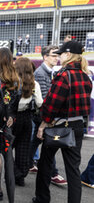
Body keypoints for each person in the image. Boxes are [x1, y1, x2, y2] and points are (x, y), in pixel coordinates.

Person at [33, 40, 92, 203]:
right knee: (73, 172)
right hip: (76, 127)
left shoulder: (63, 75)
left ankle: (42, 198)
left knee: (45, 161)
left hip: (57, 126)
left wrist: (44, 123)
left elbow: (51, 105)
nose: (58, 57)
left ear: (68, 55)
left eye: (61, 54)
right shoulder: (86, 76)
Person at [31, 45, 68, 186]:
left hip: (44, 115)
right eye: (53, 55)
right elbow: (45, 99)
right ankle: (53, 173)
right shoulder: (41, 73)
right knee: (48, 144)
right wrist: (48, 120)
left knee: (36, 143)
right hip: (42, 115)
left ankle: (25, 164)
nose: (57, 58)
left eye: (57, 55)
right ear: (45, 57)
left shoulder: (49, 71)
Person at [0, 48, 20, 199]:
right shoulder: (15, 78)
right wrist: (12, 116)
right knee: (0, 154)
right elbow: (15, 101)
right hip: (8, 121)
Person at [13, 57, 42, 186]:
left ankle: (8, 173)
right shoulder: (34, 84)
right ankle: (20, 176)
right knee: (23, 148)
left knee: (6, 148)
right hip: (27, 118)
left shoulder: (13, 82)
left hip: (12, 118)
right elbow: (40, 103)